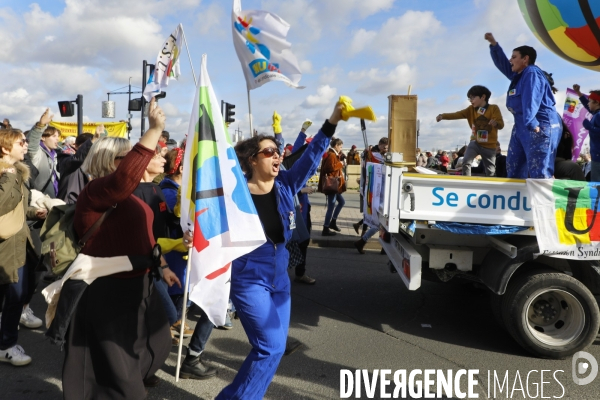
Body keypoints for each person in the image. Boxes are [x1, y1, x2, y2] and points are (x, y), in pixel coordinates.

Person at [213, 103, 342, 400]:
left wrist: (331, 121)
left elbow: (310, 159)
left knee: (274, 348)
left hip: (280, 279)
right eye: (269, 152)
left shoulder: (284, 184)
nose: (277, 155)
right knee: (269, 346)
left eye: (277, 151)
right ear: (251, 160)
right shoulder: (235, 193)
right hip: (249, 278)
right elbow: (210, 223)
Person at [62, 98, 185, 399]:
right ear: (108, 162)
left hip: (139, 284)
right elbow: (122, 180)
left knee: (158, 343)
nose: (138, 162)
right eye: (127, 158)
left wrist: (165, 264)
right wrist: (155, 129)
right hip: (106, 292)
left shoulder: (130, 197)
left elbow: (146, 236)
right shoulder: (96, 191)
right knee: (117, 379)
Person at [485, 32, 562, 178]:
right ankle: (516, 199)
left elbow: (530, 99)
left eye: (514, 57)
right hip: (521, 126)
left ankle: (542, 200)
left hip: (539, 124)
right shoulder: (517, 75)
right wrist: (494, 45)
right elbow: (504, 65)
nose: (510, 60)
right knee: (514, 168)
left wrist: (532, 123)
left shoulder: (531, 73)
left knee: (539, 171)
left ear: (525, 59)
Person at [1, 129, 46, 366]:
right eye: (21, 141)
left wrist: (33, 212)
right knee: (14, 297)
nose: (25, 145)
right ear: (5, 148)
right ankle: (6, 346)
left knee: (15, 295)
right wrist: (9, 176)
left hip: (19, 240)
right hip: (7, 245)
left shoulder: (15, 172)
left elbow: (16, 207)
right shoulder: (7, 174)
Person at [436, 85, 504, 176]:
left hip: (490, 145)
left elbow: (501, 124)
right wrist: (443, 116)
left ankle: (491, 186)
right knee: (466, 161)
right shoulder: (470, 110)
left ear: (483, 97)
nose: (471, 100)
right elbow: (457, 114)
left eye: (473, 97)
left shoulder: (493, 108)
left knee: (490, 170)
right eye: (469, 98)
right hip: (475, 142)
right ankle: (466, 180)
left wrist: (496, 123)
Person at [354, 137, 388, 254]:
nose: (385, 149)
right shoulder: (372, 155)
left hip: (379, 191)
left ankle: (363, 242)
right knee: (378, 221)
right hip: (374, 191)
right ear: (380, 144)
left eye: (387, 148)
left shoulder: (380, 155)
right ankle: (363, 241)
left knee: (380, 221)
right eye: (384, 147)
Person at [26, 109, 61, 197]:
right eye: (54, 136)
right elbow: (31, 143)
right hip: (40, 201)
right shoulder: (37, 153)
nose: (58, 139)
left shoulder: (55, 154)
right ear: (43, 138)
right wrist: (40, 126)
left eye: (58, 136)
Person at [318, 137, 346, 236]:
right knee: (331, 206)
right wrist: (340, 164)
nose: (341, 148)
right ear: (336, 146)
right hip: (332, 184)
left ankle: (332, 222)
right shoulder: (332, 155)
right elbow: (329, 168)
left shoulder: (331, 154)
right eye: (341, 146)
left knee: (341, 202)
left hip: (333, 184)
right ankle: (326, 227)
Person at [573, 85, 600, 181]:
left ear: (597, 103)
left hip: (598, 157)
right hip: (596, 156)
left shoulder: (598, 115)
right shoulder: (596, 113)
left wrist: (591, 127)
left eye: (590, 101)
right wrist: (578, 93)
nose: (588, 103)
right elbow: (586, 104)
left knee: (596, 185)